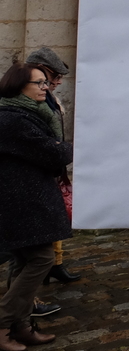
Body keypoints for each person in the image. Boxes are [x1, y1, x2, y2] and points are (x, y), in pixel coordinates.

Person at [0, 62, 73, 350]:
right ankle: (3, 321)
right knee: (42, 259)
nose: (46, 87)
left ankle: (21, 327)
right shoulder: (13, 120)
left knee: (23, 260)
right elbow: (52, 153)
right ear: (19, 87)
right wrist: (74, 148)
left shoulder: (24, 113)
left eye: (46, 82)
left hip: (24, 199)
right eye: (39, 83)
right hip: (21, 202)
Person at [23, 48, 79, 288]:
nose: (57, 82)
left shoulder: (49, 99)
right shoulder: (29, 101)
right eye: (54, 76)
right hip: (36, 171)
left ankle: (56, 264)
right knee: (28, 243)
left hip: (51, 167)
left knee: (56, 218)